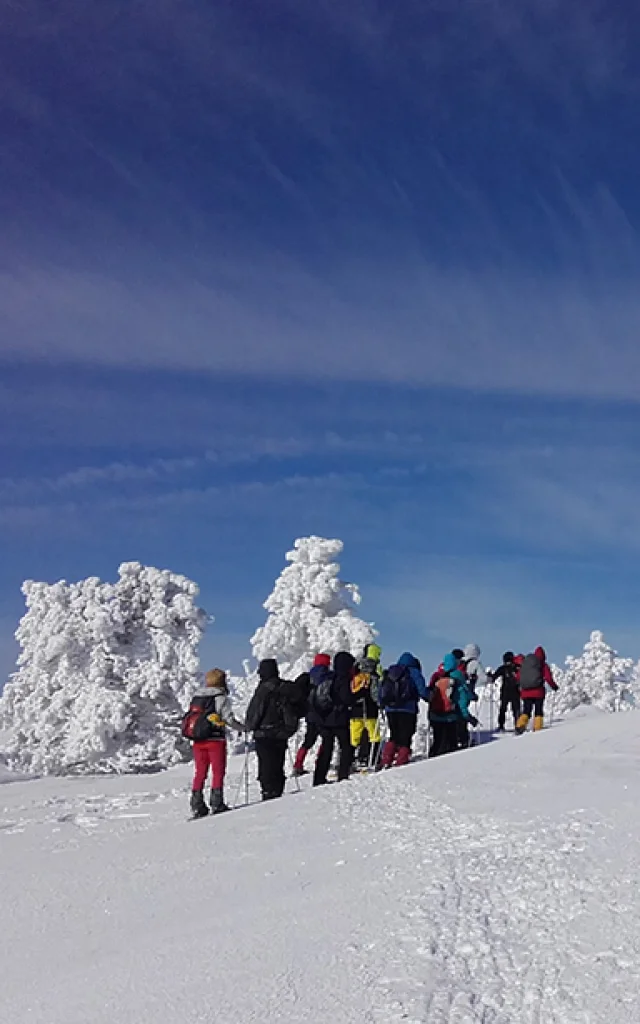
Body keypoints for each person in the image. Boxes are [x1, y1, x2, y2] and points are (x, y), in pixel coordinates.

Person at [185, 668, 245, 819]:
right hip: (215, 740)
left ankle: (197, 805)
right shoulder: (220, 697)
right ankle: (217, 803)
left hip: (198, 740)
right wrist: (242, 728)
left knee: (200, 773)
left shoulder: (197, 697)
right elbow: (228, 719)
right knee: (218, 772)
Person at [245, 659, 307, 800]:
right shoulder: (286, 687)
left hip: (264, 734)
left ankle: (268, 792)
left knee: (266, 765)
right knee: (278, 763)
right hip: (282, 733)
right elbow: (301, 706)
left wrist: (249, 726)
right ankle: (277, 790)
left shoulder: (263, 690)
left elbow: (255, 713)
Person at [312, 651, 357, 786]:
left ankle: (318, 778)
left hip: (325, 718)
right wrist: (355, 697)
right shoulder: (344, 678)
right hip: (339, 719)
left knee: (326, 748)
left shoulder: (329, 676)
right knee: (346, 746)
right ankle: (343, 774)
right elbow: (346, 698)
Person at [379, 652, 428, 768]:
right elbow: (422, 690)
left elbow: (382, 689)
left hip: (391, 709)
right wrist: (428, 696)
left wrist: (382, 704)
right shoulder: (414, 672)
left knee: (394, 734)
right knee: (406, 735)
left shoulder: (391, 672)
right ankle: (401, 760)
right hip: (408, 709)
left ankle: (386, 760)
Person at [428, 654, 477, 757]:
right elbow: (462, 700)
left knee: (438, 741)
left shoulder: (438, 676)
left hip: (435, 715)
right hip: (450, 717)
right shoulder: (458, 677)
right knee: (450, 745)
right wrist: (469, 718)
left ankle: (432, 760)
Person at [292, 654, 331, 776]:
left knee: (308, 741)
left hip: (310, 713)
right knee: (326, 740)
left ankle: (298, 765)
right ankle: (320, 763)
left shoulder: (307, 677)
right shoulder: (329, 676)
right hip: (325, 714)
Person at [350, 643, 383, 769]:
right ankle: (373, 759)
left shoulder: (356, 669)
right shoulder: (374, 673)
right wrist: (379, 703)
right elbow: (375, 693)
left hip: (356, 709)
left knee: (354, 737)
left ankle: (350, 759)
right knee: (374, 735)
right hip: (370, 709)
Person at [516, 646, 558, 734]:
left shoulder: (526, 664)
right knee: (538, 710)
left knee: (526, 710)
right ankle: (537, 728)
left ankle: (520, 725)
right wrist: (554, 686)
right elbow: (548, 678)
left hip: (526, 692)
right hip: (538, 691)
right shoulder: (542, 664)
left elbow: (518, 676)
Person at [493, 651, 521, 731]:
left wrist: (490, 677)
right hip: (515, 691)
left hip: (505, 691)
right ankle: (518, 725)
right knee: (516, 709)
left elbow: (495, 676)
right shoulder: (517, 667)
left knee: (503, 709)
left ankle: (501, 725)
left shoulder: (502, 668)